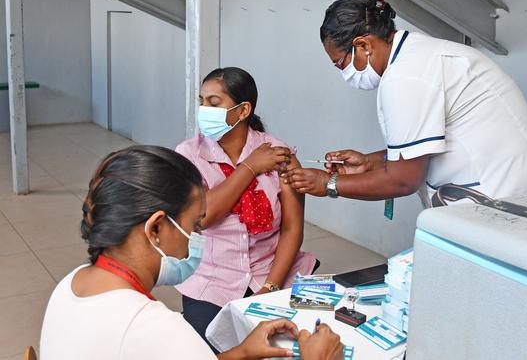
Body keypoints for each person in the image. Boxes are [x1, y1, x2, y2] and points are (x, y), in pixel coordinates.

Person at [39, 145, 343, 360]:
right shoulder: (158, 328)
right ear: (156, 228)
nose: (197, 239)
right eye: (195, 226)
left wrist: (241, 353)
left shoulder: (72, 283)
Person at [285, 0, 527, 207]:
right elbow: (424, 147)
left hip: (502, 203)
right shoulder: (419, 55)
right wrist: (368, 162)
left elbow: (404, 179)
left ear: (364, 46)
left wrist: (329, 183)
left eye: (340, 64)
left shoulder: (406, 77)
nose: (344, 74)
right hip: (511, 194)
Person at [175, 67, 317, 351]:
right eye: (201, 101)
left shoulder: (278, 153)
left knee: (289, 348)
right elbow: (204, 216)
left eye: (214, 103)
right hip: (212, 282)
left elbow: (292, 230)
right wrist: (250, 167)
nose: (204, 109)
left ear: (243, 111)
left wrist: (270, 288)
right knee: (214, 351)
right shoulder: (189, 154)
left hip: (274, 272)